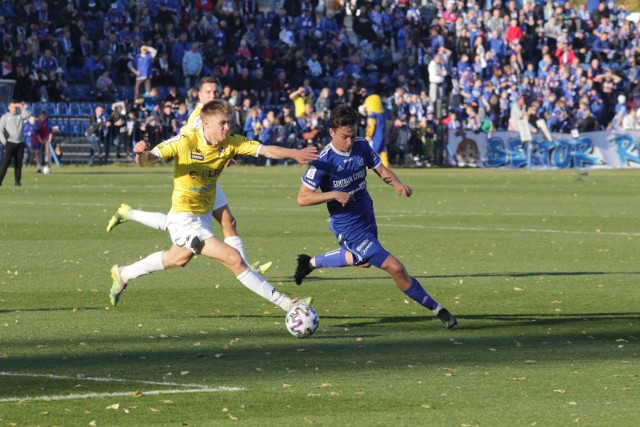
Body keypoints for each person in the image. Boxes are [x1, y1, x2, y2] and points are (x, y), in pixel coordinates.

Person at [109, 99, 318, 312]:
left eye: (229, 123)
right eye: (223, 124)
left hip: (203, 215)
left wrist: (294, 153)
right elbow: (148, 160)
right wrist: (140, 154)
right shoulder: (185, 142)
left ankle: (123, 273)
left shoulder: (230, 143)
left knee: (177, 259)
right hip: (184, 219)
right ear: (206, 124)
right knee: (234, 259)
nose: (227, 128)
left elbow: (265, 150)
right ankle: (288, 304)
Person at [293, 104, 457, 329]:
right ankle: (439, 310)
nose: (349, 142)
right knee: (395, 267)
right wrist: (333, 194)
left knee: (362, 261)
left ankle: (309, 262)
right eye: (344, 137)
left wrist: (396, 183)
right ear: (331, 132)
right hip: (348, 225)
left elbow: (381, 169)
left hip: (367, 214)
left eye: (353, 135)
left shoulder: (361, 145)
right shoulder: (323, 161)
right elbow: (302, 198)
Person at [107, 77, 274, 274]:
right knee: (181, 240)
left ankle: (244, 266)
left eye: (215, 92)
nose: (213, 95)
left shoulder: (215, 112)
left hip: (208, 177)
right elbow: (193, 143)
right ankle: (129, 221)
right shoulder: (198, 117)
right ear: (199, 94)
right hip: (196, 177)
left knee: (227, 222)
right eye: (209, 92)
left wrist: (223, 153)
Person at [0, 101, 30, 187]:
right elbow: (0, 130)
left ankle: (17, 181)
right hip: (9, 143)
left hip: (19, 143)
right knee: (6, 163)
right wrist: (4, 142)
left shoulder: (19, 116)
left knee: (18, 163)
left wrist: (21, 106)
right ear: (9, 108)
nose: (14, 109)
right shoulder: (5, 117)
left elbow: (27, 114)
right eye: (13, 107)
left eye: (15, 108)